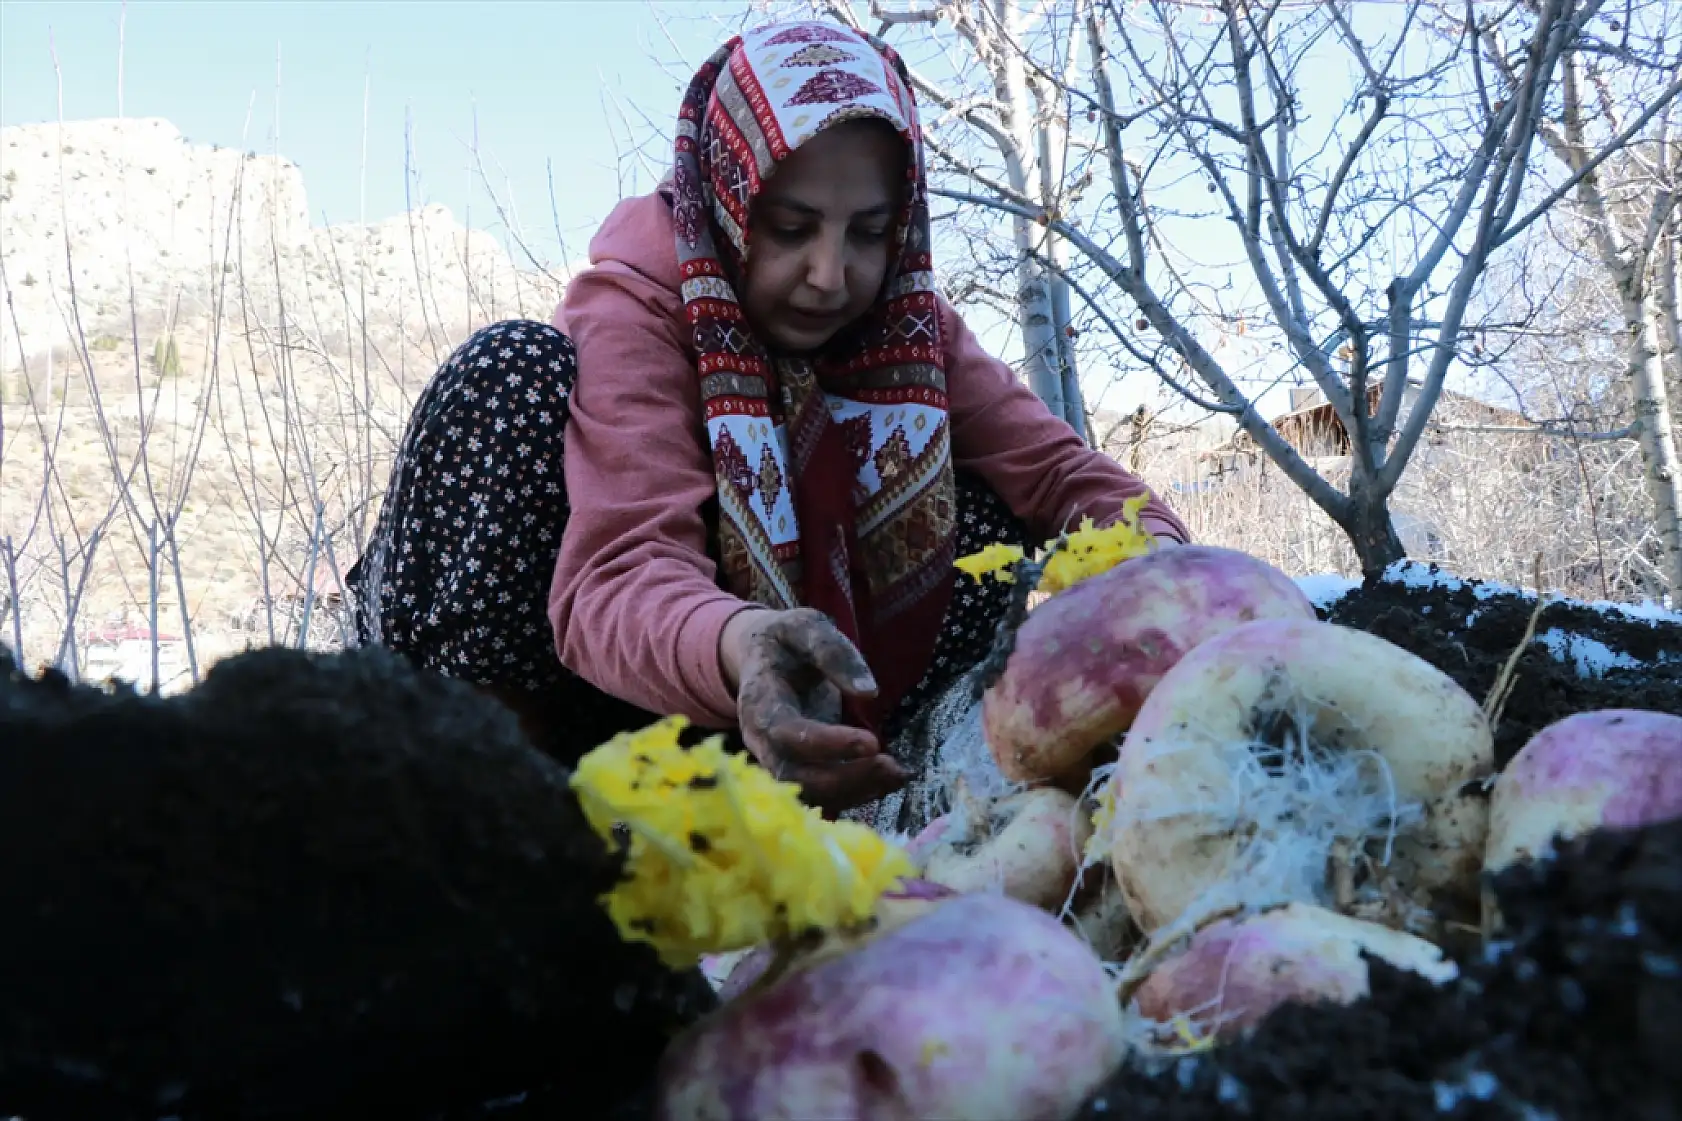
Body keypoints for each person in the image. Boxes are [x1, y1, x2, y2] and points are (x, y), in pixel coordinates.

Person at [347, 18, 1189, 834]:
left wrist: (1181, 580)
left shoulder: (911, 325)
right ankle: (486, 813)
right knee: (509, 378)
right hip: (594, 700)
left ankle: (854, 779)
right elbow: (621, 567)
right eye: (789, 229)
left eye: (867, 232)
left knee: (981, 521)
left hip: (750, 718)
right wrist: (744, 644)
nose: (831, 276)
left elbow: (1057, 473)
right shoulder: (640, 306)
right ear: (730, 194)